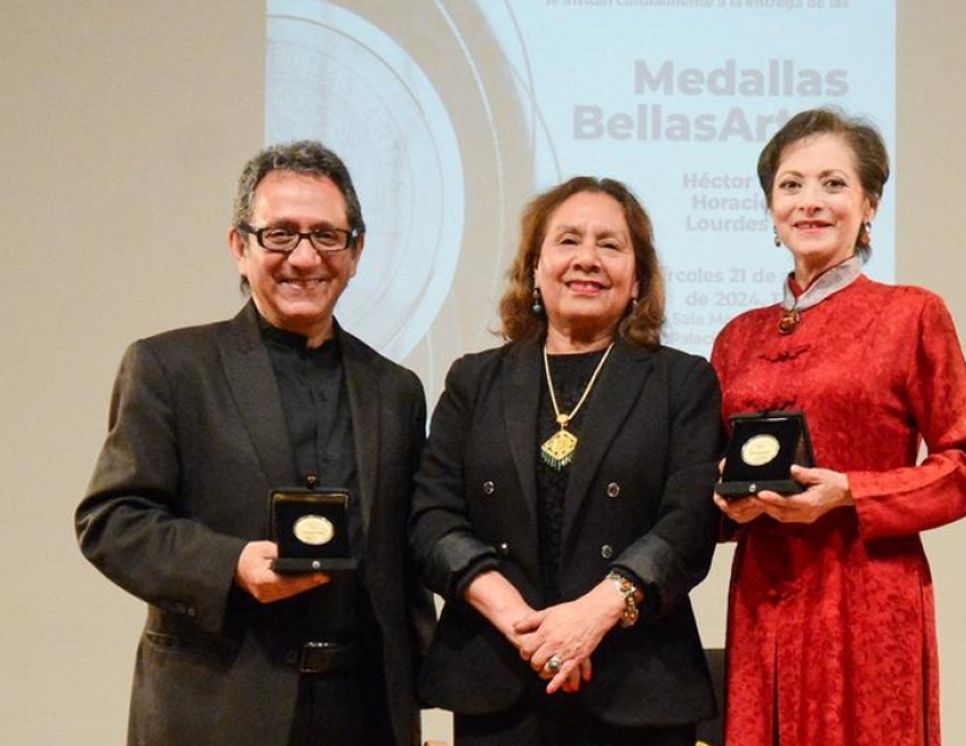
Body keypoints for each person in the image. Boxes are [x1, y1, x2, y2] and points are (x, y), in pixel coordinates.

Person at [75, 141, 433, 745]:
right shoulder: (170, 367)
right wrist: (230, 565)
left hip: (365, 710)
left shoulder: (396, 389)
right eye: (280, 235)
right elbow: (111, 520)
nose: (303, 257)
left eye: (326, 235)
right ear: (240, 247)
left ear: (356, 252)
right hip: (217, 706)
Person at [710, 108, 966, 746]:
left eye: (833, 184)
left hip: (867, 594)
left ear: (869, 204)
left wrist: (851, 491)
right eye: (791, 185)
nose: (810, 202)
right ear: (770, 208)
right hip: (763, 595)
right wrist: (724, 497)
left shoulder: (911, 314)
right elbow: (713, 479)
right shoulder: (736, 338)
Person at [409, 176, 722, 745]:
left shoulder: (683, 381)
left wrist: (593, 615)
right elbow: (432, 518)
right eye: (568, 240)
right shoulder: (475, 379)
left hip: (636, 685)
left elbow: (691, 521)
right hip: (499, 676)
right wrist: (526, 627)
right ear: (533, 268)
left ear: (638, 280)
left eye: (610, 244)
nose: (587, 259)